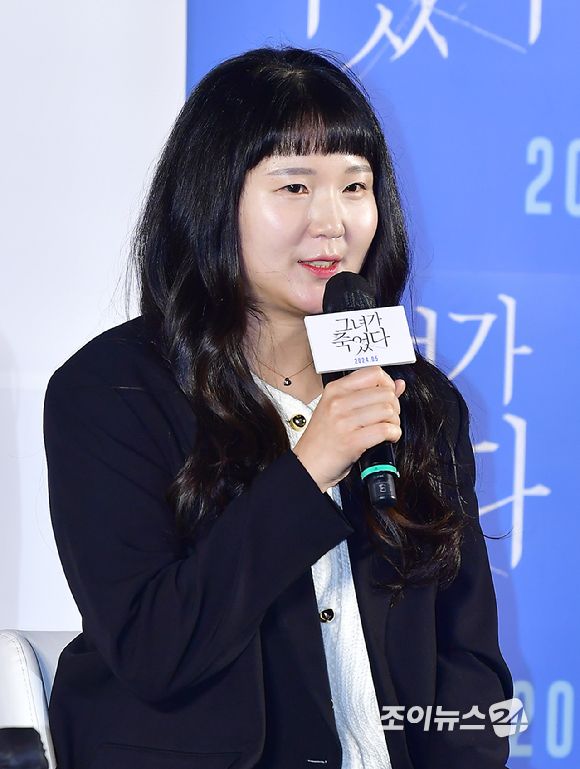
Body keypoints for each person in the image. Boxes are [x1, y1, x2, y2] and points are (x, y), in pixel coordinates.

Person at [43, 47, 513, 769]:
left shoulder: (415, 396)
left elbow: (467, 658)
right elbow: (153, 651)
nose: (332, 221)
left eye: (354, 186)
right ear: (214, 200)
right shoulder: (111, 391)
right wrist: (308, 468)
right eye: (294, 187)